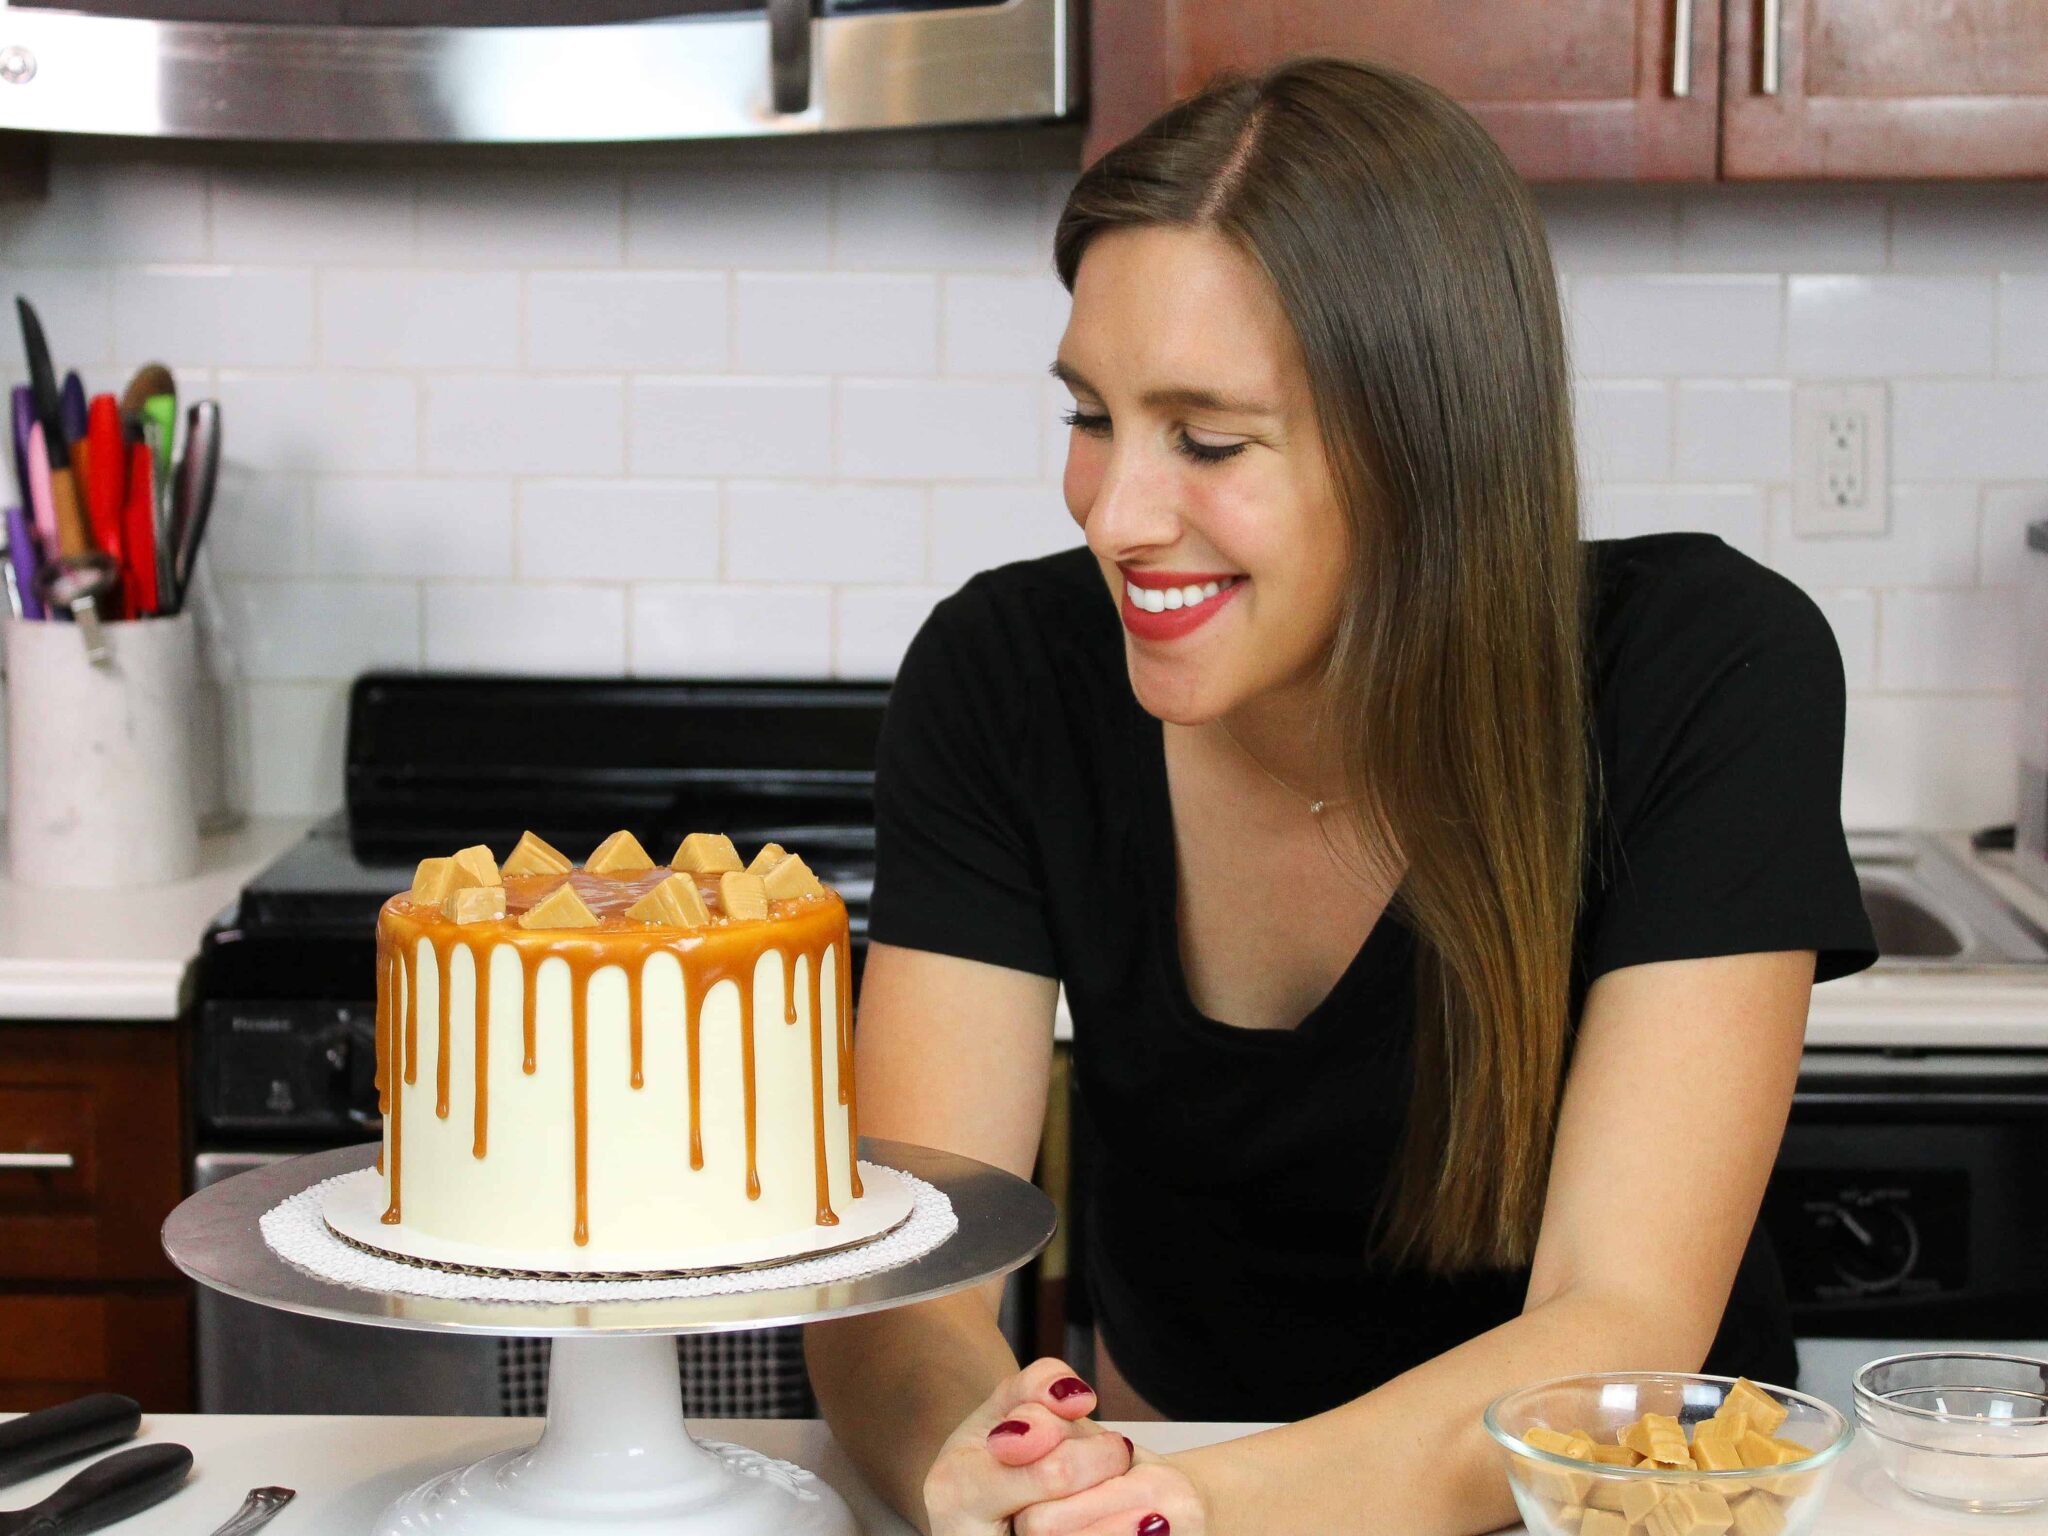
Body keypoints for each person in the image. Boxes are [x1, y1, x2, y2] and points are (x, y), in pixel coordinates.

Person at [803, 54, 1875, 1536]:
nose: (1114, 514)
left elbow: (1614, 1321)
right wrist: (966, 1466)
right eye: (1091, 416)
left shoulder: (1704, 669)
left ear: (1422, 447)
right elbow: (911, 1270)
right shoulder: (1006, 674)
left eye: (1208, 438)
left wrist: (1184, 1509)